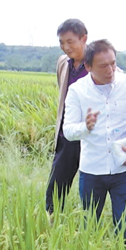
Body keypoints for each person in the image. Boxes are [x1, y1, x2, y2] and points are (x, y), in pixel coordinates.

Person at [62, 39, 126, 240]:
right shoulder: (77, 91)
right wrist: (86, 127)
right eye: (103, 66)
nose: (110, 70)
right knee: (90, 227)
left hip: (124, 168)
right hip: (92, 169)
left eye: (113, 63)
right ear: (88, 67)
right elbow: (68, 130)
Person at [45, 19, 89, 215]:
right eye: (62, 42)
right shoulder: (63, 63)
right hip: (67, 135)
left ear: (84, 39)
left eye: (70, 41)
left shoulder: (97, 63)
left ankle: (90, 229)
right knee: (56, 186)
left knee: (90, 190)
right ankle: (51, 222)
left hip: (91, 137)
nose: (66, 47)